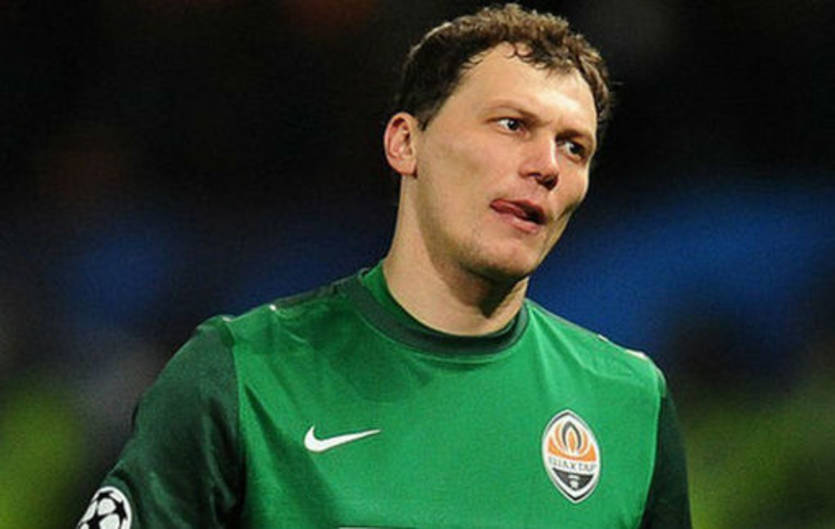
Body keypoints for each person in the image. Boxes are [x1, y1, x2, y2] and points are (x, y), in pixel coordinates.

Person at [77, 4, 691, 528]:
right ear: (405, 142)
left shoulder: (629, 401)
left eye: (574, 147)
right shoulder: (242, 374)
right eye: (512, 125)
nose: (547, 166)